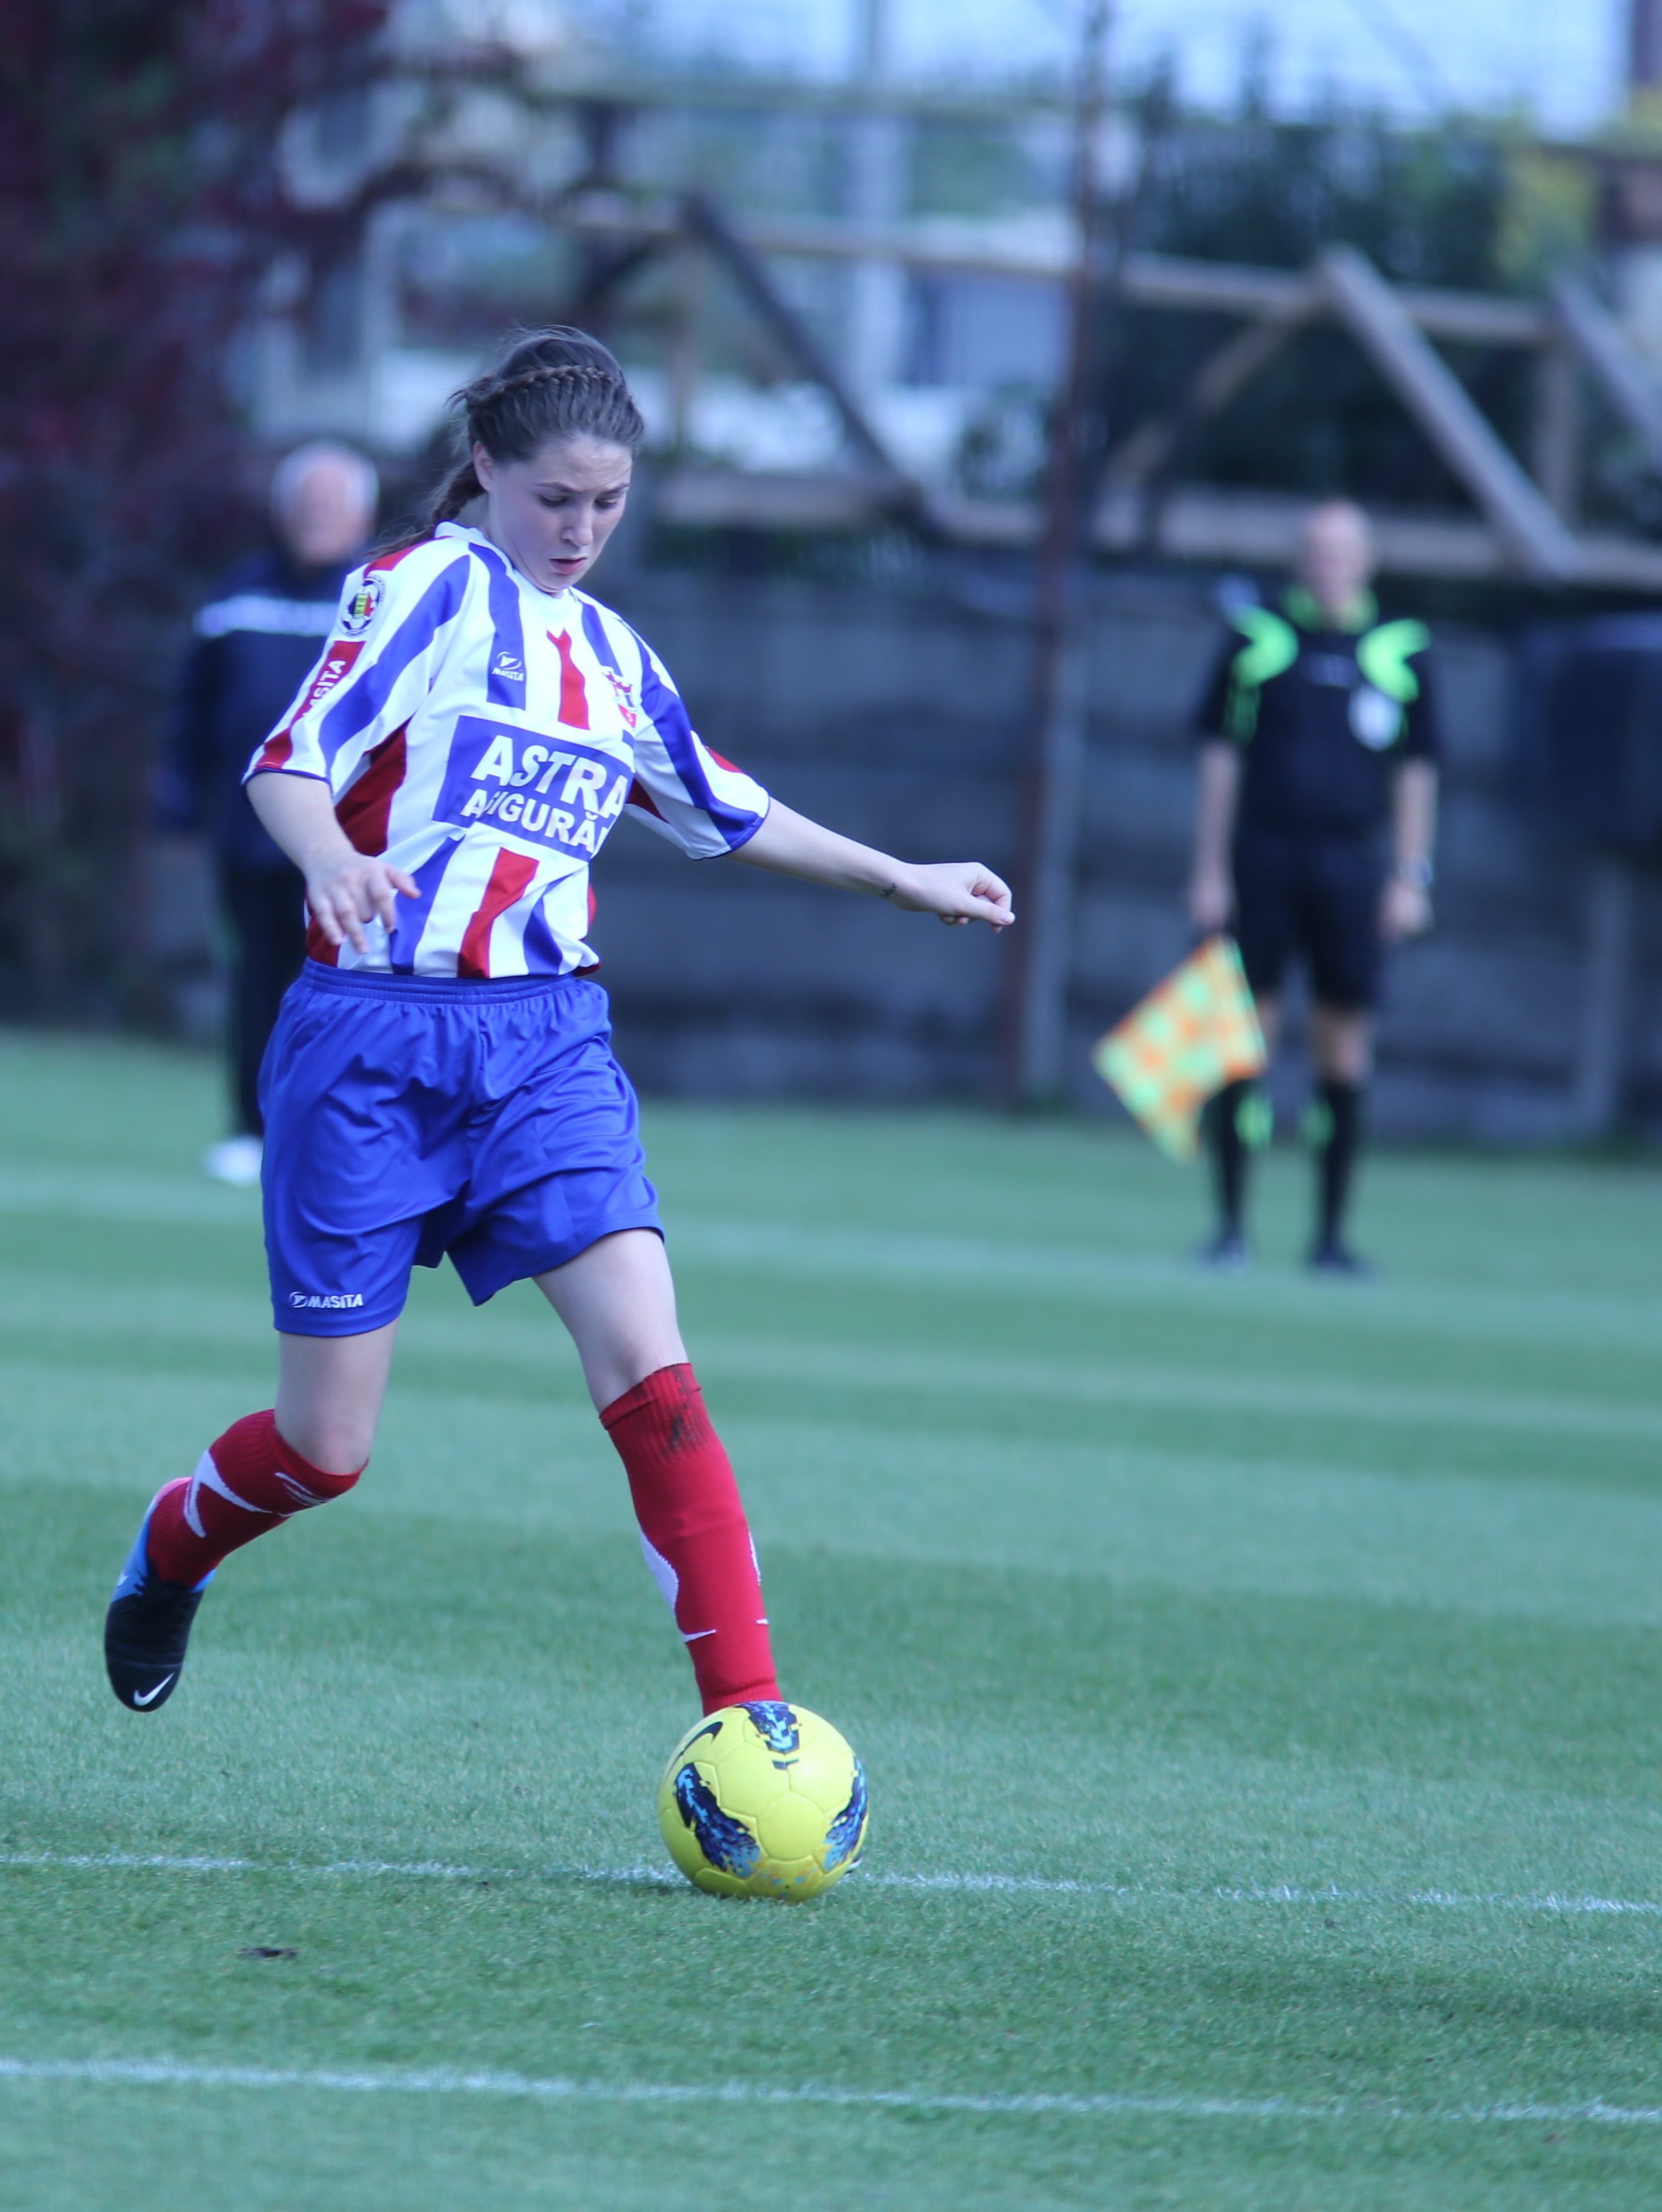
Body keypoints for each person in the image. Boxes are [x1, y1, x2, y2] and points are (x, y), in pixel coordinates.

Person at [100, 329, 1013, 1718]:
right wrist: (332, 863)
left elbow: (726, 804)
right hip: (370, 1047)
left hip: (546, 1050)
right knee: (326, 1448)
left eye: (609, 502)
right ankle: (174, 1551)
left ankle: (750, 1725)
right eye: (556, 499)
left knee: (656, 1374)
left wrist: (902, 877)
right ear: (486, 468)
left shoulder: (615, 660)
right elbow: (288, 763)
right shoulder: (421, 589)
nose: (581, 530)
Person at [1183, 499, 1437, 1276]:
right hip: (1263, 858)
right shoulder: (1258, 641)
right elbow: (1220, 759)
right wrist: (1209, 869)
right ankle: (1230, 1230)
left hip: (1350, 867)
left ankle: (1330, 1238)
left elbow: (1419, 770)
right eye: (1316, 550)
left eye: (1342, 550)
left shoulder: (1400, 651)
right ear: (1300, 559)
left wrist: (1410, 874)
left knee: (1343, 1046)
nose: (1328, 563)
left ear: (1368, 560)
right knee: (1241, 1042)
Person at [160, 440, 379, 1185]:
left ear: (363, 516)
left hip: (353, 843)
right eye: (307, 503)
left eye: (333, 504)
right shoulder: (235, 600)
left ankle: (332, 1139)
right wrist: (177, 807)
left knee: (344, 991)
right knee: (257, 980)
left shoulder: (381, 602)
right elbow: (190, 710)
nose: (317, 517)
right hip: (251, 840)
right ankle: (249, 1131)